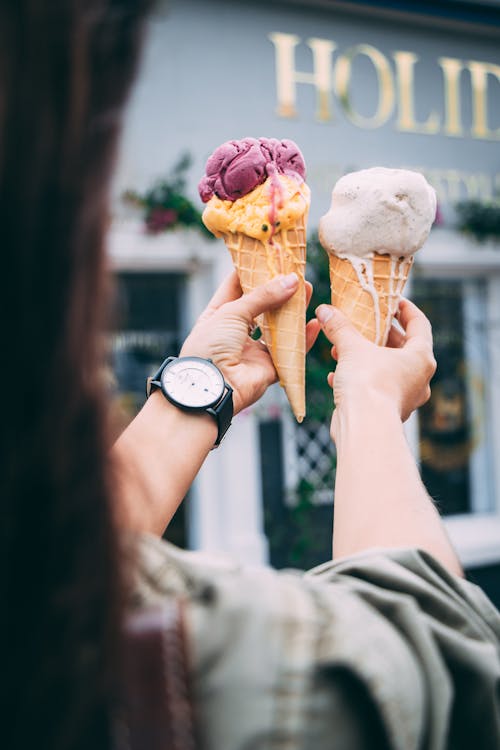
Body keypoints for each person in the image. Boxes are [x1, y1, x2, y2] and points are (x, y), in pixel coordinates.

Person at [3, 2, 499, 750]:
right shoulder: (197, 660)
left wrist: (200, 384)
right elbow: (437, 658)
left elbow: (80, 560)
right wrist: (367, 403)